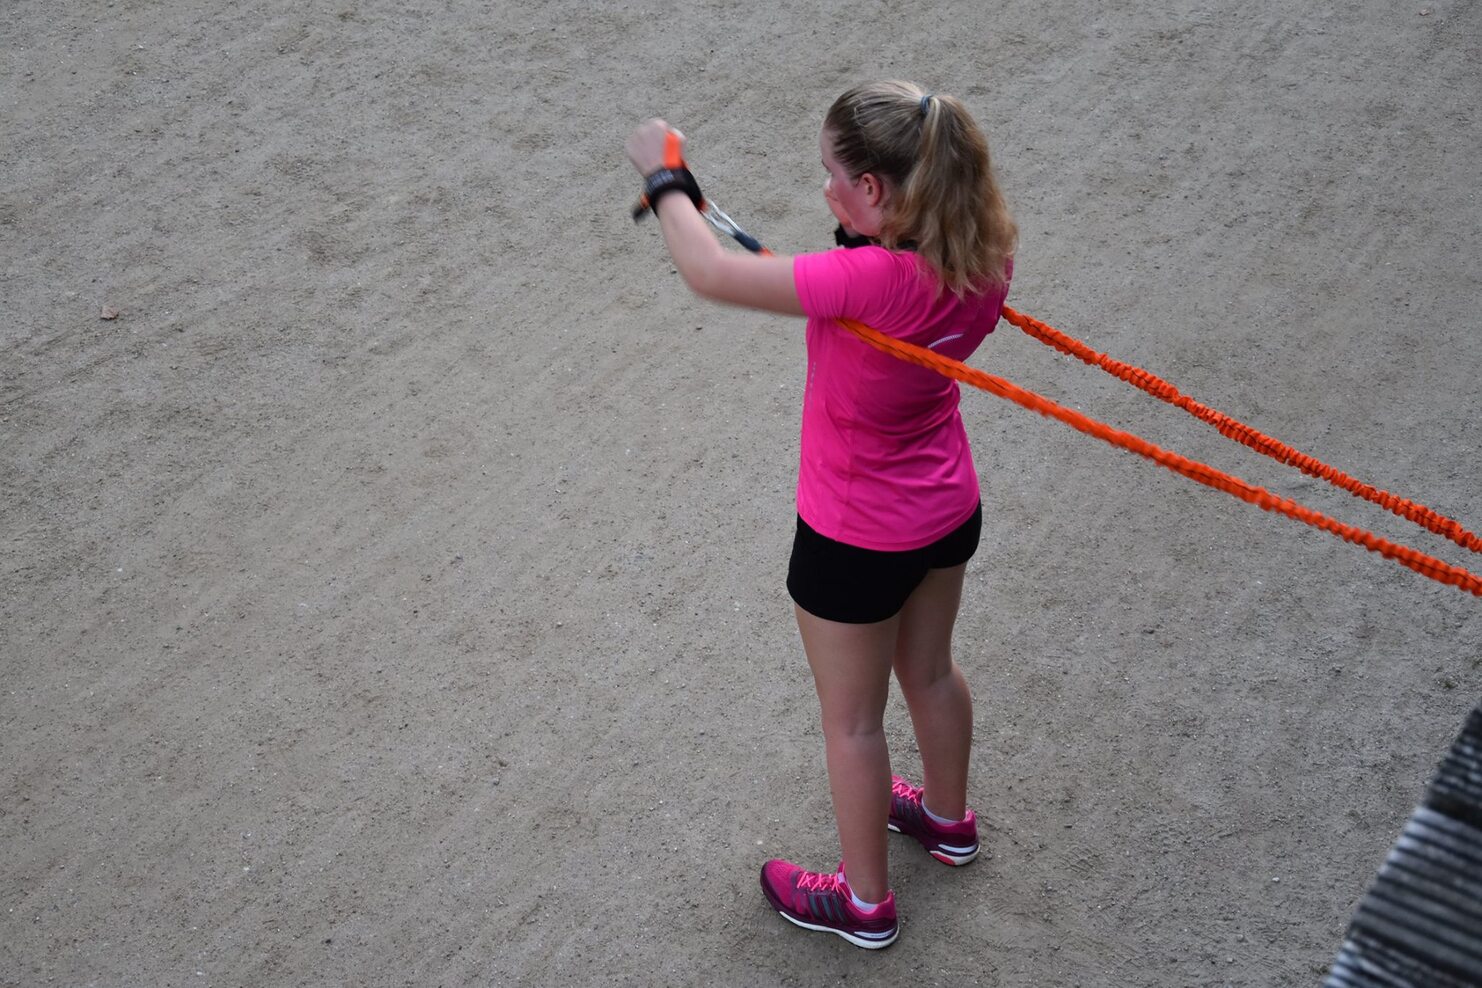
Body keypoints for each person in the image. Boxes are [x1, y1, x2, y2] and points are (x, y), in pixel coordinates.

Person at [625, 80, 1016, 949]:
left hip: (854, 536)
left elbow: (711, 270)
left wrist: (665, 177)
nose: (826, 191)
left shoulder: (865, 280)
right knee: (932, 672)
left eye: (833, 176)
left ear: (876, 193)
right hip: (947, 508)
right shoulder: (982, 253)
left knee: (852, 722)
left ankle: (865, 905)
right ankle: (948, 822)